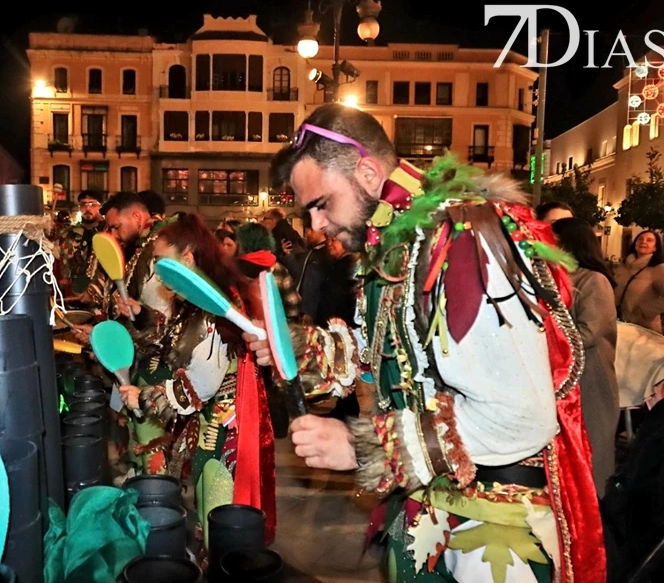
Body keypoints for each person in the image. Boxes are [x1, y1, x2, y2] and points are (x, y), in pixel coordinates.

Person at [245, 103, 605, 583]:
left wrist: (364, 447)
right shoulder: (398, 243)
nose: (315, 227)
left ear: (368, 172)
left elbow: (520, 417)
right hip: (427, 512)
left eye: (321, 204)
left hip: (491, 530)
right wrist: (300, 347)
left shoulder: (460, 238)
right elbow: (387, 352)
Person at [115, 213, 276, 545]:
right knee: (210, 513)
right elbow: (170, 342)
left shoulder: (215, 306)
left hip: (224, 433)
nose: (156, 270)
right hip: (210, 427)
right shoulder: (196, 302)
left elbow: (200, 383)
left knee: (218, 517)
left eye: (161, 261)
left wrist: (145, 397)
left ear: (187, 258)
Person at [551, 217, 620, 498]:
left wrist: (547, 340)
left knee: (591, 452)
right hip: (561, 380)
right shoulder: (554, 275)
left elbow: (589, 332)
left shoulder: (594, 280)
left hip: (589, 381)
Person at [614, 230, 664, 332]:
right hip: (619, 323)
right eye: (640, 239)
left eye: (649, 240)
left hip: (643, 327)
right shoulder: (624, 265)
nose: (643, 242)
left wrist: (644, 310)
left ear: (655, 248)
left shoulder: (658, 268)